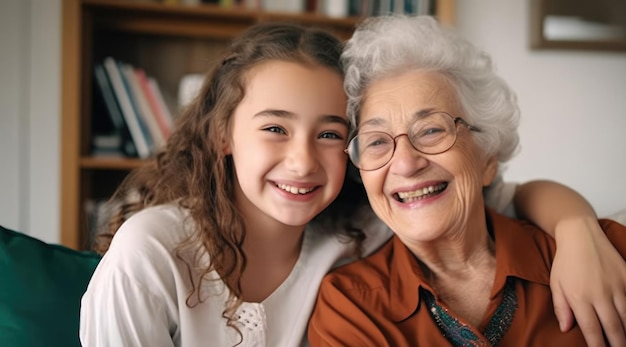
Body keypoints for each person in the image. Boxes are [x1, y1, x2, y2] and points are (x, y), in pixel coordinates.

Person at [79, 22, 626, 347]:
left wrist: (578, 229)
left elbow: (502, 195)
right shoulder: (152, 251)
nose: (301, 161)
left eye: (330, 134)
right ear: (222, 134)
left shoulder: (355, 227)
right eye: (274, 128)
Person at [307, 15, 626, 347]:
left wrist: (579, 229)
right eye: (376, 141)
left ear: (487, 157)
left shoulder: (605, 252)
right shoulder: (350, 306)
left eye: (431, 130)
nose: (405, 162)